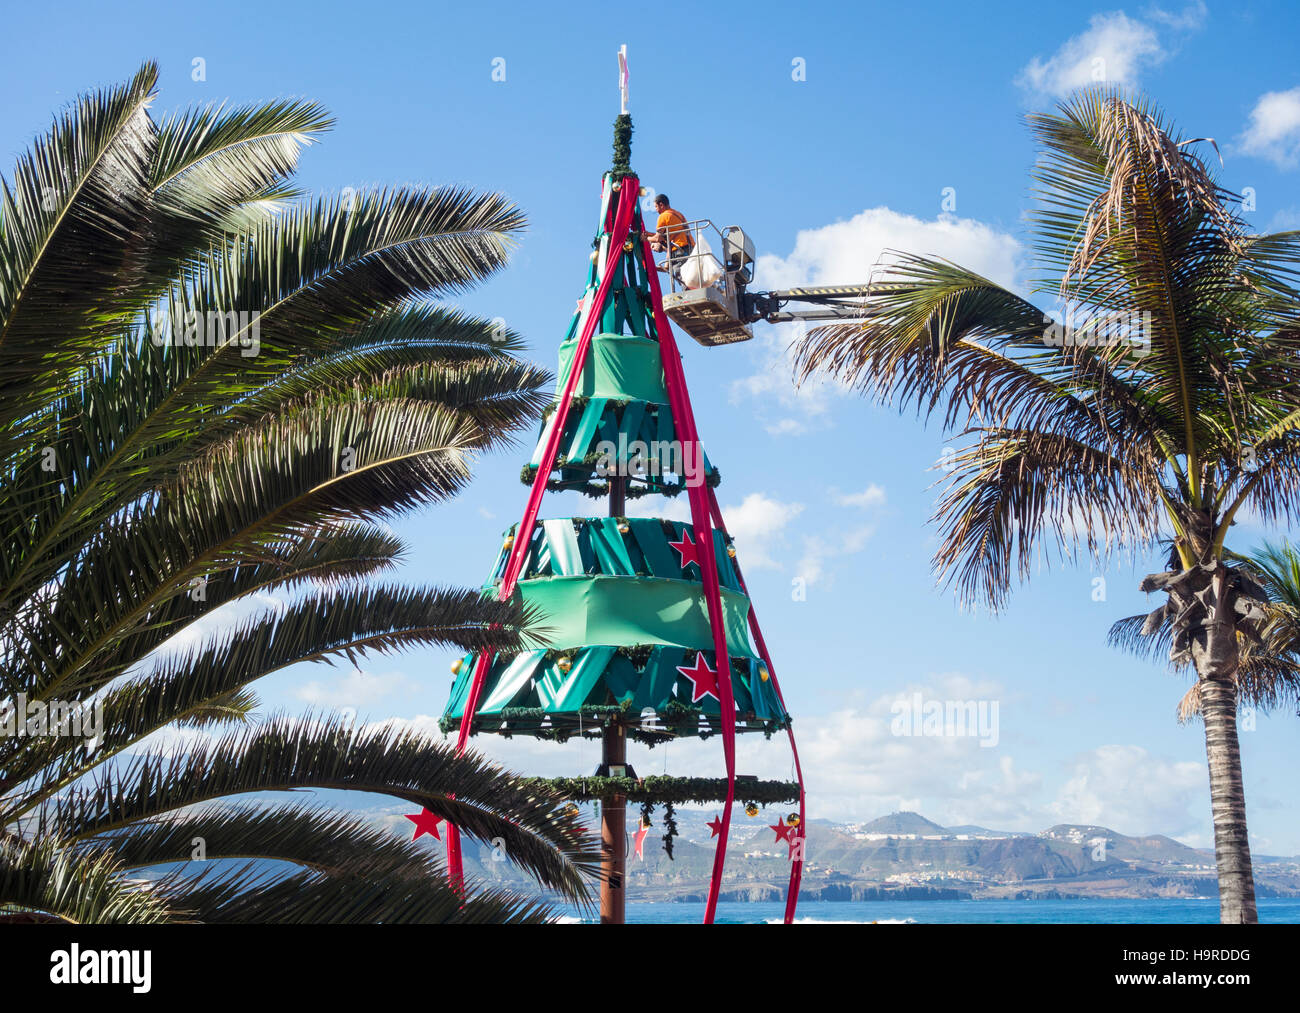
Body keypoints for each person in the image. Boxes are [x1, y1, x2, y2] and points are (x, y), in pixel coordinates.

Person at [649, 193, 693, 279]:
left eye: (656, 207)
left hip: (680, 251)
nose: (656, 210)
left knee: (682, 278)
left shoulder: (663, 216)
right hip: (690, 249)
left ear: (661, 205)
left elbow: (658, 238)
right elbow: (666, 268)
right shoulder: (678, 214)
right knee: (691, 277)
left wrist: (646, 238)